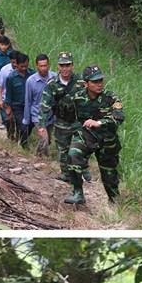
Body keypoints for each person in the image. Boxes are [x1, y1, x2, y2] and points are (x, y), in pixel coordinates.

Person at [43, 65, 124, 205]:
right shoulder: (77, 96)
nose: (99, 84)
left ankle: (114, 200)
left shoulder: (111, 98)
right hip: (87, 136)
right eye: (95, 81)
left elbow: (119, 117)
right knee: (73, 155)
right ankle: (77, 193)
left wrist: (99, 122)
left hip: (107, 140)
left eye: (100, 81)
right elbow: (66, 114)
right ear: (86, 83)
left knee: (109, 175)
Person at [36, 53, 82, 179]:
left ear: (72, 66)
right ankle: (65, 174)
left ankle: (79, 173)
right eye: (62, 65)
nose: (65, 68)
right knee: (63, 151)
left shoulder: (81, 82)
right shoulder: (52, 84)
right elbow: (45, 105)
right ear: (58, 66)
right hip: (61, 122)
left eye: (67, 65)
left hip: (78, 122)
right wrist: (42, 125)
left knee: (78, 150)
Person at [0, 52, 30, 145]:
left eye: (26, 66)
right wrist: (8, 107)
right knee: (22, 126)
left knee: (29, 126)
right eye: (22, 66)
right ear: (17, 65)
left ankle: (21, 138)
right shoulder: (11, 77)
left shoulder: (32, 75)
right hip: (17, 106)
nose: (24, 69)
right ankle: (24, 145)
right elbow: (8, 94)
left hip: (29, 106)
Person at [22, 54, 52, 146]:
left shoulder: (54, 78)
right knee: (44, 139)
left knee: (48, 140)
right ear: (37, 66)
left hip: (51, 115)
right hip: (37, 115)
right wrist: (26, 119)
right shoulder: (31, 81)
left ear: (49, 65)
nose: (43, 68)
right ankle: (43, 159)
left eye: (45, 65)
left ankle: (38, 156)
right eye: (41, 66)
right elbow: (28, 100)